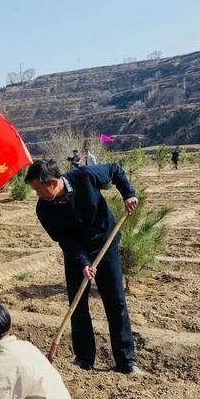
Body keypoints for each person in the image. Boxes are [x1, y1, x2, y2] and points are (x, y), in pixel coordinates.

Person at [24, 160, 142, 374]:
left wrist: (128, 193)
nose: (37, 195)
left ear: (53, 182)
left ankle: (126, 361)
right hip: (76, 254)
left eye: (39, 190)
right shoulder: (44, 209)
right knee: (77, 305)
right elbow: (64, 239)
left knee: (116, 303)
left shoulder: (85, 176)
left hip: (105, 245)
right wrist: (82, 263)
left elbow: (115, 170)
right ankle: (84, 358)